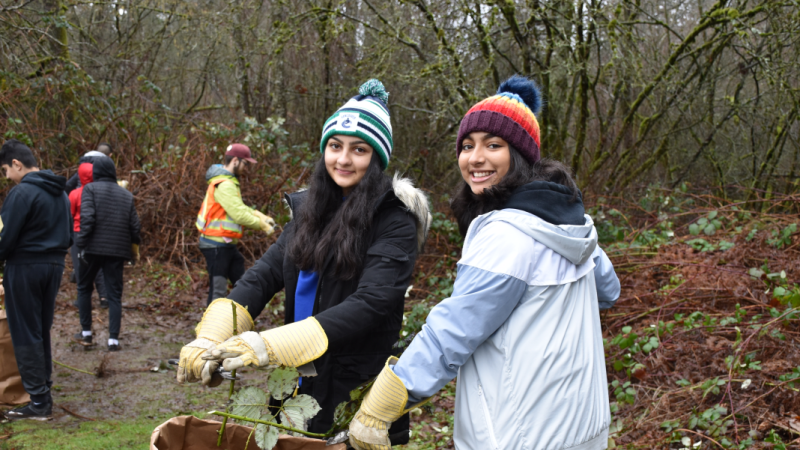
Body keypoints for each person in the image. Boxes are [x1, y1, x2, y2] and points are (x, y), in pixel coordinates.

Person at [347, 76, 621, 450]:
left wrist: (383, 404)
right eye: (466, 145)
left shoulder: (507, 234)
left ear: (521, 155)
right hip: (581, 426)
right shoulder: (570, 224)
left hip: (517, 435)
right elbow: (608, 290)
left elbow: (452, 332)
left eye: (493, 145)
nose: (475, 158)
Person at [179, 79, 431, 446]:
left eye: (359, 149)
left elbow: (372, 302)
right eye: (335, 146)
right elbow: (263, 276)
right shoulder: (308, 210)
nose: (343, 159)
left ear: (376, 158)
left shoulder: (395, 220)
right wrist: (211, 335)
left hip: (355, 385)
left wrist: (267, 345)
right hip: (297, 379)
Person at [0, 139, 72, 420]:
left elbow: (3, 238)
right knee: (41, 329)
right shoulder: (60, 193)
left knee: (25, 332)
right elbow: (69, 234)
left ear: (17, 164)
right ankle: (44, 392)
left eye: (6, 170)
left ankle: (39, 402)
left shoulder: (22, 194)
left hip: (25, 267)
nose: (7, 177)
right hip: (54, 266)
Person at [196, 143, 277, 306]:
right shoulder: (224, 184)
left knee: (241, 285)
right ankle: (210, 329)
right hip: (215, 245)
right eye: (245, 163)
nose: (246, 168)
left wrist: (260, 216)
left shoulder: (228, 182)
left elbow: (239, 208)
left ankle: (236, 321)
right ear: (235, 161)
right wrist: (262, 226)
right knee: (218, 292)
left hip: (225, 244)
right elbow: (239, 215)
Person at [74, 157, 141, 351]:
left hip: (92, 249)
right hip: (117, 251)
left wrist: (81, 244)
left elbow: (87, 219)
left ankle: (86, 333)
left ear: (96, 173)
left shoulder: (90, 190)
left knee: (84, 288)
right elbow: (135, 227)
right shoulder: (126, 195)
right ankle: (113, 340)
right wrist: (133, 248)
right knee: (114, 295)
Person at [68, 162, 108, 312]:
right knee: (97, 266)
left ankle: (83, 299)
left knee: (80, 267)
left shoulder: (75, 194)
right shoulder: (100, 193)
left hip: (78, 233)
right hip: (96, 233)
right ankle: (104, 297)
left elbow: (70, 215)